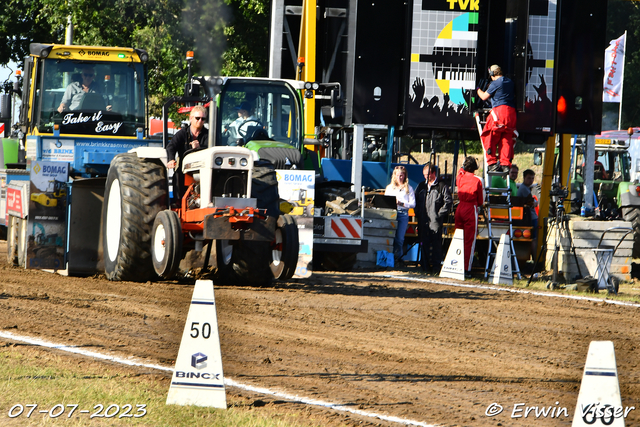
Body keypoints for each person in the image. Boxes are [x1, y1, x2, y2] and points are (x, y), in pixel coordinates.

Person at [476, 65, 517, 173]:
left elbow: (484, 97)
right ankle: (505, 164)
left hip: (499, 112)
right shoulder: (510, 82)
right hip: (511, 114)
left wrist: (477, 90)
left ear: (492, 74)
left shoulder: (496, 83)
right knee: (506, 139)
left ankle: (492, 163)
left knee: (490, 136)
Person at [415, 163, 453, 273]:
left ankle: (436, 268)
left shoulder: (441, 186)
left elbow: (448, 201)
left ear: (433, 173)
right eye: (424, 175)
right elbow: (416, 201)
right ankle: (425, 267)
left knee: (436, 245)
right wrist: (418, 213)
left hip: (435, 221)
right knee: (424, 244)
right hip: (423, 220)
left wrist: (438, 215)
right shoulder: (421, 186)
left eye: (427, 175)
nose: (425, 177)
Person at [166, 105, 208, 200]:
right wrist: (171, 159)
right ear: (191, 118)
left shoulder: (208, 135)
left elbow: (213, 148)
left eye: (203, 119)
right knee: (177, 175)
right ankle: (179, 201)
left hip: (203, 170)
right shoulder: (182, 133)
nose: (200, 121)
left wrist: (200, 147)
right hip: (185, 170)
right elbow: (171, 146)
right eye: (197, 118)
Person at [454, 157, 484, 278]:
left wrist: (463, 166)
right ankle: (466, 268)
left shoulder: (460, 177)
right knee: (469, 241)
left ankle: (455, 263)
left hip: (460, 207)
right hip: (470, 208)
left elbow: (460, 171)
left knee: (458, 238)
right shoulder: (478, 180)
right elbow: (481, 200)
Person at [385, 166, 416, 264]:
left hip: (403, 213)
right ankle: (389, 257)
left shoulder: (408, 188)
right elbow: (385, 200)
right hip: (391, 213)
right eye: (398, 175)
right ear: (394, 176)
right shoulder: (390, 188)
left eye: (402, 175)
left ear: (405, 176)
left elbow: (413, 204)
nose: (400, 177)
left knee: (399, 238)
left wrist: (402, 204)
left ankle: (399, 257)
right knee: (390, 236)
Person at [517, 169, 539, 258]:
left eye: (532, 178)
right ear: (524, 178)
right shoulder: (524, 189)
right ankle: (535, 259)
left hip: (531, 216)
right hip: (531, 217)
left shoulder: (526, 188)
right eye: (529, 178)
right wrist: (534, 203)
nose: (531, 180)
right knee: (534, 239)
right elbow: (533, 203)